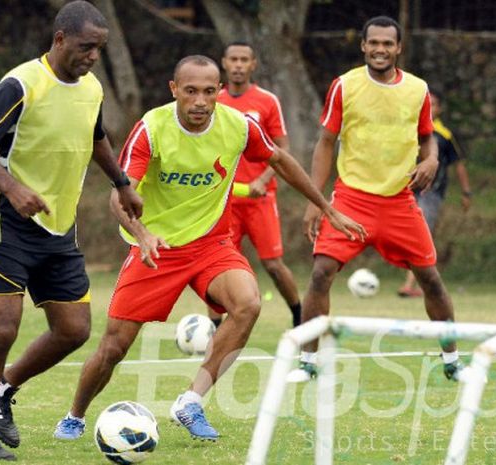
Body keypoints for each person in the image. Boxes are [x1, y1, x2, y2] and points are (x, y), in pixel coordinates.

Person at [53, 55, 365, 442]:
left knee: (248, 303)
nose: (200, 101)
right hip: (157, 248)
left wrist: (325, 206)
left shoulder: (238, 126)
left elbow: (280, 160)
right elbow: (119, 196)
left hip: (210, 245)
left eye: (208, 91)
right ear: (174, 90)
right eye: (190, 91)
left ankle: (191, 401)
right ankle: (75, 416)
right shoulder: (152, 128)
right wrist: (144, 233)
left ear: (219, 91)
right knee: (114, 346)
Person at [0, 1, 142, 461]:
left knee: (74, 329)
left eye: (99, 49)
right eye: (86, 47)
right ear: (60, 40)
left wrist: (121, 183)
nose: (93, 57)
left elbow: (95, 136)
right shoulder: (22, 83)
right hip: (5, 220)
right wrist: (13, 188)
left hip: (58, 227)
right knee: (2, 329)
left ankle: (5, 388)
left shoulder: (93, 87)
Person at [288, 16, 464, 383]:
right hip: (351, 199)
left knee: (430, 279)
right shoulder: (344, 86)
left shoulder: (417, 90)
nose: (380, 49)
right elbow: (324, 143)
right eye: (374, 43)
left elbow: (427, 137)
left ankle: (452, 360)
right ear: (363, 46)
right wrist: (317, 202)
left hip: (399, 201)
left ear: (398, 48)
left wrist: (430, 159)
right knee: (321, 273)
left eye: (388, 43)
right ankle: (308, 363)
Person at [203, 41, 302, 328]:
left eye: (243, 60)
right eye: (232, 59)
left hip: (260, 198)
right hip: (223, 202)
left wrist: (263, 178)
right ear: (224, 62)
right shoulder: (212, 100)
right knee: (215, 264)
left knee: (272, 264)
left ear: (253, 64)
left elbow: (283, 148)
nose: (237, 65)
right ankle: (214, 328)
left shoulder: (267, 101)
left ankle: (299, 315)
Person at [398, 89, 472, 297]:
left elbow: (459, 165)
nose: (430, 108)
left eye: (434, 104)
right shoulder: (408, 130)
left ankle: (410, 285)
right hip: (405, 190)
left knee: (423, 232)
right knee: (407, 234)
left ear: (439, 109)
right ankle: (421, 281)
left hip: (432, 193)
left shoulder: (445, 135)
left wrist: (467, 193)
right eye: (426, 104)